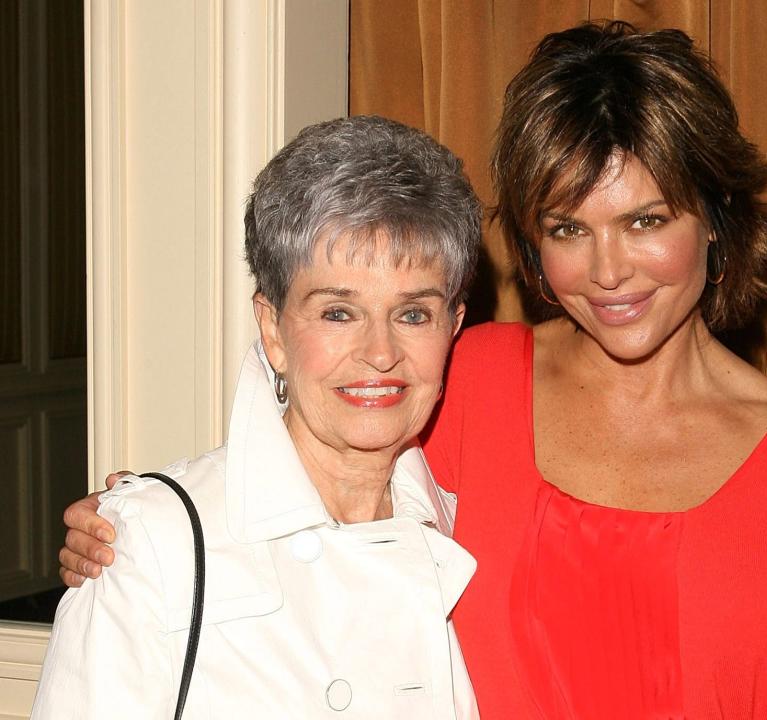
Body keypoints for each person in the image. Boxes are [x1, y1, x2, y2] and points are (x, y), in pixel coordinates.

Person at [58, 22, 767, 720]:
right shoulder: (473, 382)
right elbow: (318, 459)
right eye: (569, 228)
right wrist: (143, 525)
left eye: (646, 218)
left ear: (717, 219)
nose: (609, 270)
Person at [35, 116, 482, 719]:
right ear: (273, 328)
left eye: (413, 315)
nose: (381, 354)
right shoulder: (150, 544)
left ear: (453, 326)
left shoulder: (468, 532)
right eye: (337, 313)